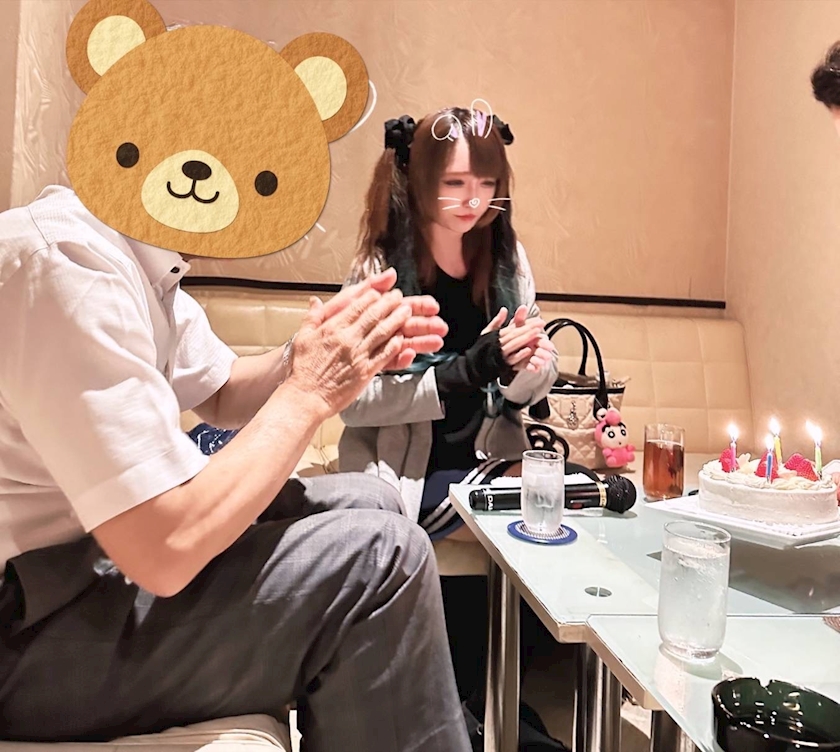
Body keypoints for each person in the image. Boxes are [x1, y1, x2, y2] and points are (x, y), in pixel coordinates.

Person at [0, 184, 473, 752]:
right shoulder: (67, 265)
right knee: (385, 558)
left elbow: (222, 390)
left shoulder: (139, 256)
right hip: (25, 628)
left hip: (80, 574)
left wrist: (308, 351)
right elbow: (164, 547)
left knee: (375, 500)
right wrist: (310, 389)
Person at [338, 106, 559, 542]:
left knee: (578, 492)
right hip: (407, 470)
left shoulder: (507, 260)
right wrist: (459, 375)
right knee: (545, 506)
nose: (473, 199)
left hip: (492, 455)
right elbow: (350, 401)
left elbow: (532, 387)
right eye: (454, 183)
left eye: (486, 183)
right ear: (421, 180)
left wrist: (522, 367)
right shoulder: (378, 271)